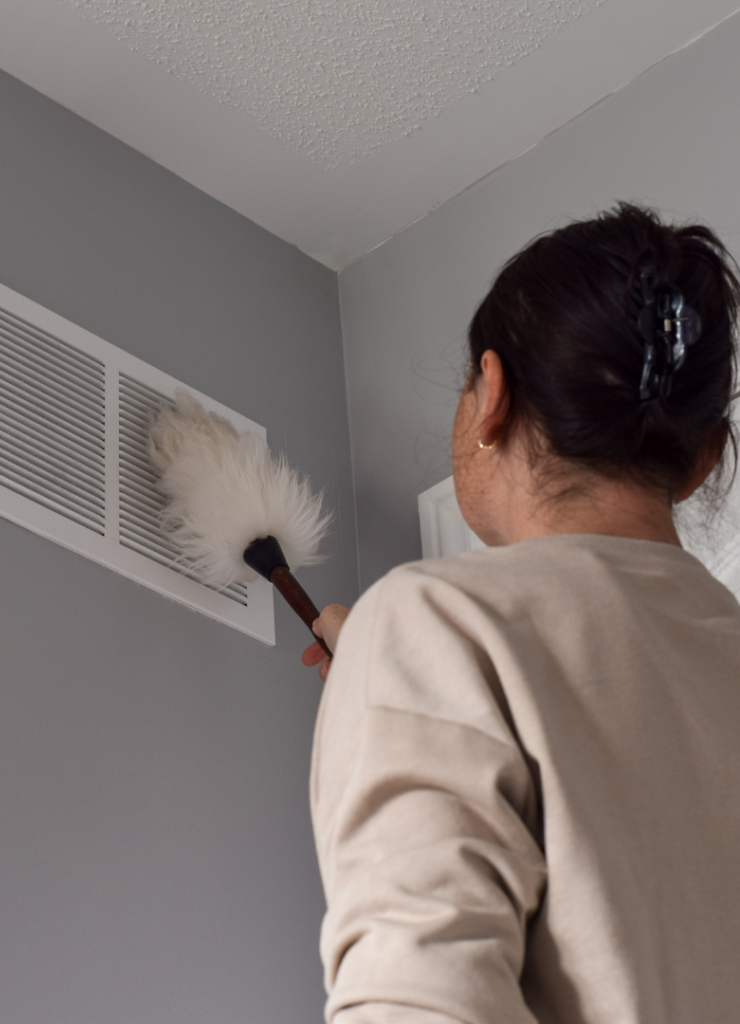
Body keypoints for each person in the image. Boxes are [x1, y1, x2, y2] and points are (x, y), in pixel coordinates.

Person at [302, 203, 740, 1024]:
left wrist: (404, 662)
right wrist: (401, 672)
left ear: (491, 395)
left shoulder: (437, 626)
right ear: (703, 456)